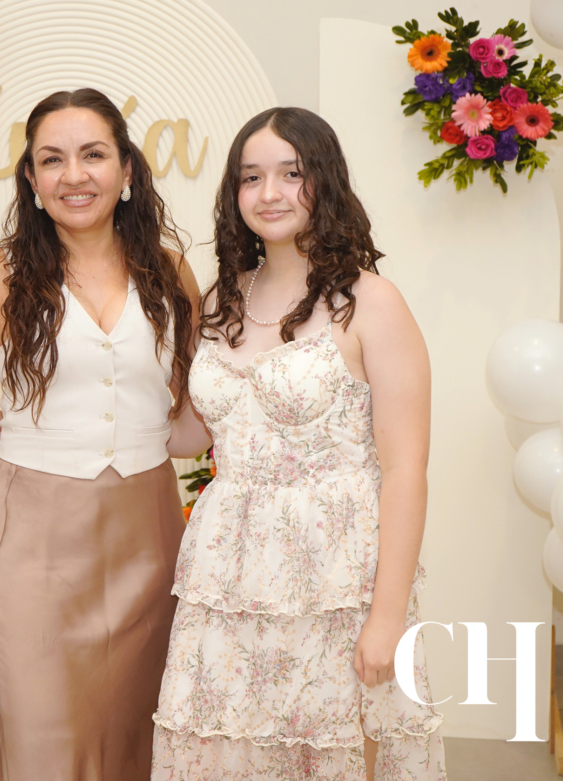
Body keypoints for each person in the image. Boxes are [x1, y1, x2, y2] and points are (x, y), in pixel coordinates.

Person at [153, 107, 446, 780]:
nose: (270, 193)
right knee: (226, 751)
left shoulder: (370, 302)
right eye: (251, 177)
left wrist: (387, 617)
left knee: (331, 755)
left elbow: (406, 470)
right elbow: (195, 434)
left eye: (291, 173)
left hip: (334, 576)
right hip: (228, 574)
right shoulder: (222, 299)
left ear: (326, 180)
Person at [0, 87, 200, 781]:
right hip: (33, 533)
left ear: (126, 169)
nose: (74, 175)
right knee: (45, 729)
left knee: (138, 726)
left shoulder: (170, 271)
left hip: (148, 527)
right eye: (52, 159)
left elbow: (196, 408)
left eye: (93, 154)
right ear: (30, 179)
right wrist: (27, 434)